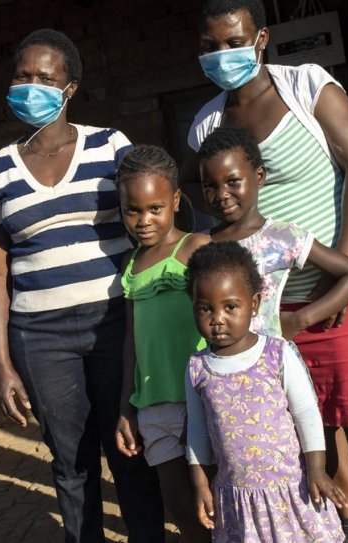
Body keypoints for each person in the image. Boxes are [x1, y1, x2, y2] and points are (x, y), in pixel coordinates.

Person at [185, 1, 348, 541]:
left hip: (346, 285)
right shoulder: (207, 123)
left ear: (260, 39)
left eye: (233, 41)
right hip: (271, 312)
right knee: (316, 426)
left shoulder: (306, 86)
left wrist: (338, 278)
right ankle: (340, 529)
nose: (222, 54)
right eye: (210, 46)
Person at [0, 28, 164, 543]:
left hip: (115, 321)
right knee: (70, 461)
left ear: (70, 87)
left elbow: (150, 221)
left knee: (130, 449)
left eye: (45, 77)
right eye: (23, 75)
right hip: (40, 335)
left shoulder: (110, 145)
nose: (31, 86)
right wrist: (1, 364)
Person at [184, 241, 347, 542]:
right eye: (205, 308)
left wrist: (317, 470)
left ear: (255, 304)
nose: (217, 318)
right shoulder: (197, 368)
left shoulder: (277, 354)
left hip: (292, 490)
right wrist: (201, 485)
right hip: (237, 501)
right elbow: (196, 431)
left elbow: (306, 413)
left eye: (230, 306)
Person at [112, 146, 211, 543]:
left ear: (174, 200)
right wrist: (125, 408)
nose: (143, 220)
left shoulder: (196, 247)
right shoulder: (130, 265)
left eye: (155, 208)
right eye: (132, 210)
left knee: (215, 492)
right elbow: (131, 341)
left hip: (203, 397)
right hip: (154, 402)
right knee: (178, 502)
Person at [198, 126, 348, 340]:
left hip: (270, 364)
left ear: (259, 176)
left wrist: (300, 320)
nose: (222, 194)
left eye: (233, 182)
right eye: (210, 186)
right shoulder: (200, 244)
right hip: (217, 368)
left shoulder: (281, 237)